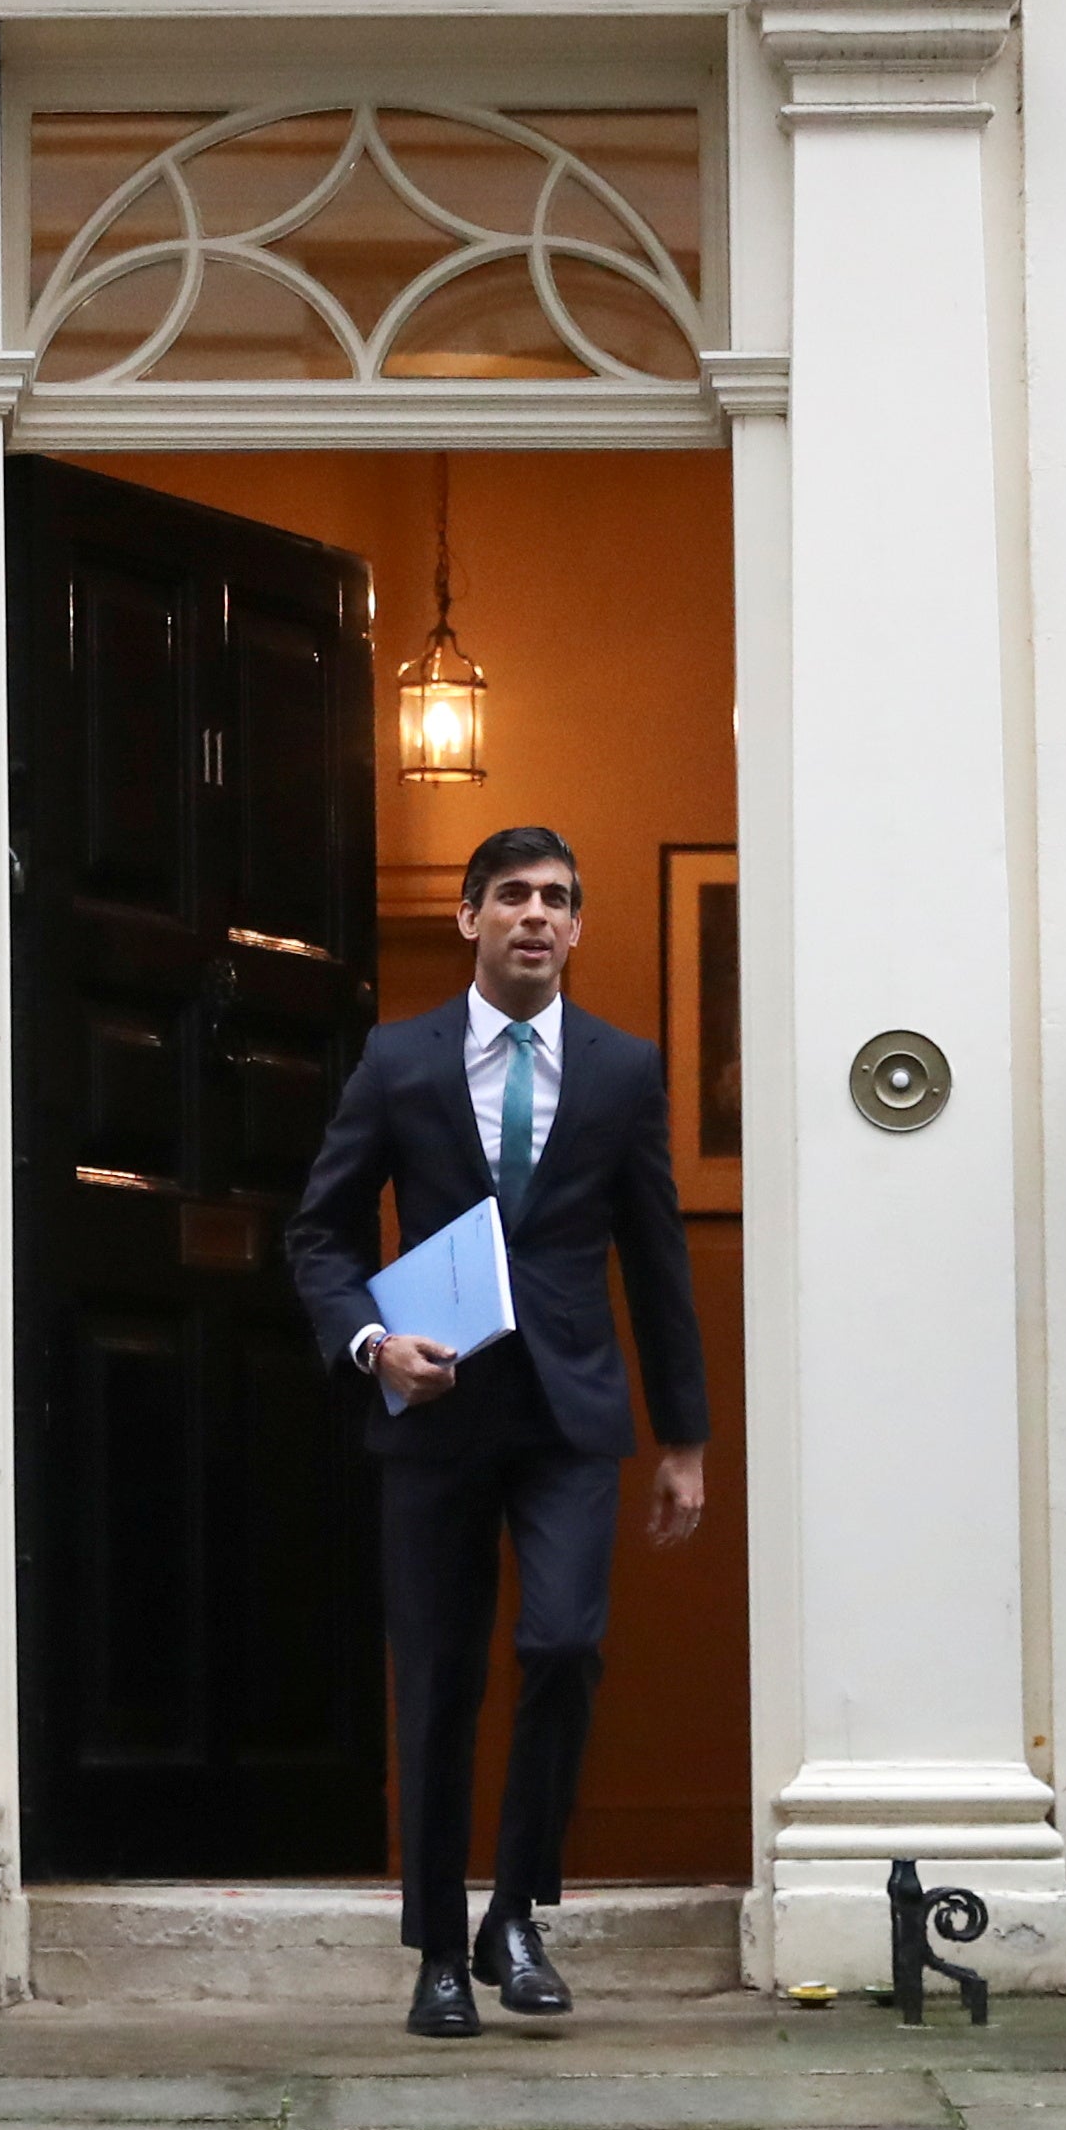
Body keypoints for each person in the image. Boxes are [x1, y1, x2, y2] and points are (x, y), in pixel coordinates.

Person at [286, 825, 711, 2037]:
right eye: (512, 896)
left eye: (557, 899)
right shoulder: (396, 1060)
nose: (535, 915)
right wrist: (372, 1345)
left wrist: (682, 1435)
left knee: (565, 1643)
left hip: (572, 1413)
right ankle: (434, 1949)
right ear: (468, 917)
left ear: (577, 929)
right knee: (436, 1678)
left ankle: (514, 1912)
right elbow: (316, 1232)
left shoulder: (623, 1069)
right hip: (434, 1411)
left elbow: (658, 1254)